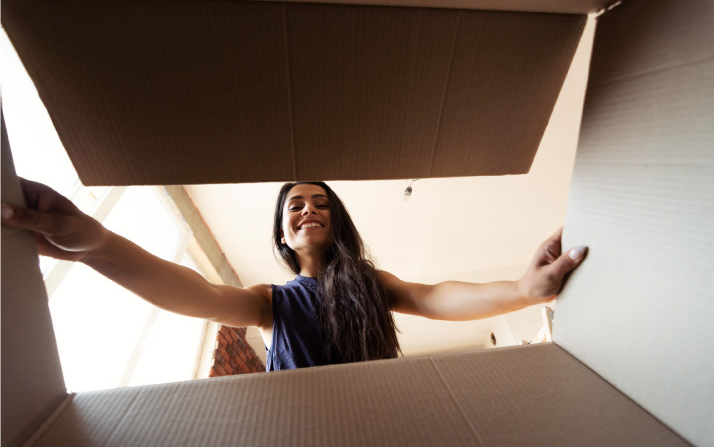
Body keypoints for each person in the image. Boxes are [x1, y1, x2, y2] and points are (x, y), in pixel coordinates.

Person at [1, 179, 587, 371]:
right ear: (284, 233)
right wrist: (98, 244)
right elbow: (195, 293)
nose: (308, 208)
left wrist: (520, 290)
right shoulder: (272, 301)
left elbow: (434, 296)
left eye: (320, 203)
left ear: (337, 223)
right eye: (295, 206)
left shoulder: (369, 285)